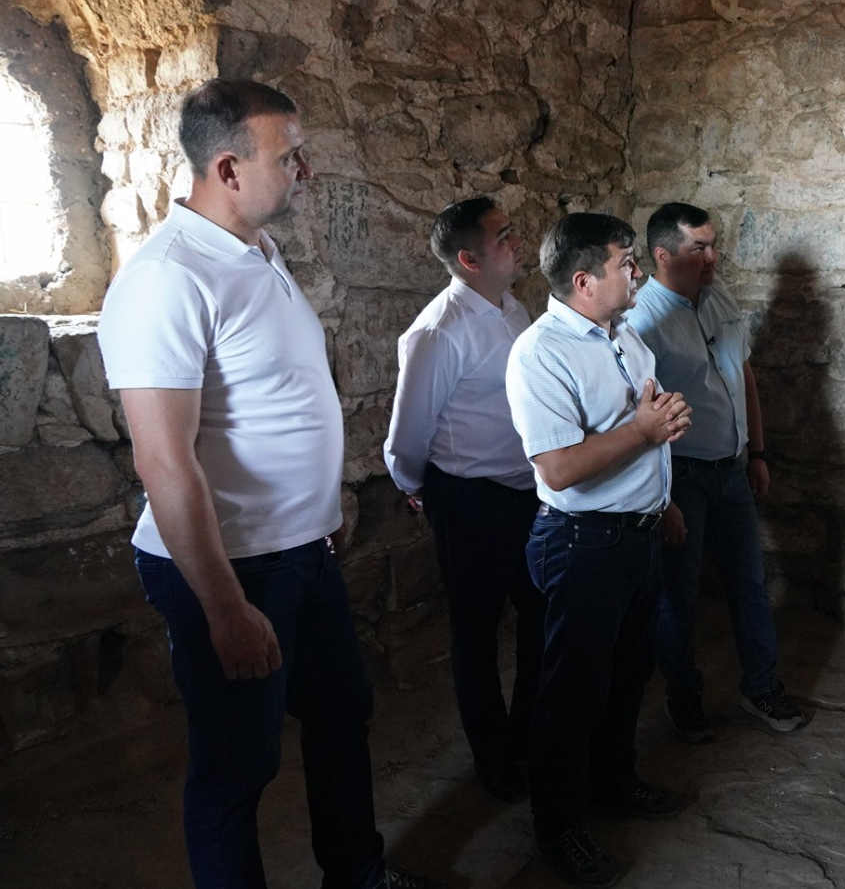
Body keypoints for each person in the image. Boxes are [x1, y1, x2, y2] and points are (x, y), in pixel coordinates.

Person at [96, 79, 442, 889]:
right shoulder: (167, 280)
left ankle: (357, 875)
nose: (304, 171)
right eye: (289, 157)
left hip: (300, 550)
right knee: (237, 765)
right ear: (227, 168)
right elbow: (164, 461)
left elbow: (276, 401)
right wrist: (223, 607)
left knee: (340, 714)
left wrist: (322, 511)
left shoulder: (256, 253)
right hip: (231, 567)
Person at [506, 212, 693, 887]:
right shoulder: (540, 353)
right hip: (583, 542)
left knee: (627, 674)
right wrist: (645, 431)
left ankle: (613, 780)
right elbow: (558, 469)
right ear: (584, 281)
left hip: (635, 535)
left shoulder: (624, 335)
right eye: (625, 262)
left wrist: (662, 496)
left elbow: (641, 425)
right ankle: (558, 826)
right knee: (572, 693)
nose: (637, 271)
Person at [383, 196, 543, 802]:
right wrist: (417, 488)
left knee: (540, 616)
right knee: (475, 633)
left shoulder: (514, 310)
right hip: (469, 499)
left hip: (526, 492)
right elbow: (407, 434)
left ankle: (527, 735)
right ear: (470, 259)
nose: (518, 242)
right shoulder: (438, 332)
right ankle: (493, 756)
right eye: (505, 235)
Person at [632, 202, 806, 741]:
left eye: (714, 245)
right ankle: (683, 697)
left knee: (749, 583)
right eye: (699, 248)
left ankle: (761, 687)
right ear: (663, 255)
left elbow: (741, 375)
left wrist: (757, 452)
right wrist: (662, 497)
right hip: (680, 475)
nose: (713, 257)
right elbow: (635, 419)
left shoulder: (718, 297)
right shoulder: (641, 321)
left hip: (730, 469)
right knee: (677, 595)